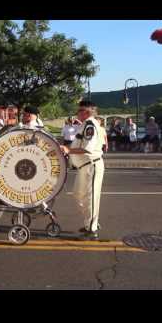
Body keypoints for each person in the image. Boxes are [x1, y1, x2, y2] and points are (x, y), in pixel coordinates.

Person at [60, 100, 105, 240]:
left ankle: (92, 230)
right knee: (78, 195)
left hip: (92, 165)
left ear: (86, 112)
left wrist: (68, 149)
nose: (76, 113)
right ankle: (90, 222)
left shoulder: (90, 125)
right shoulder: (85, 125)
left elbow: (87, 148)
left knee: (90, 198)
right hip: (83, 167)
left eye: (79, 110)